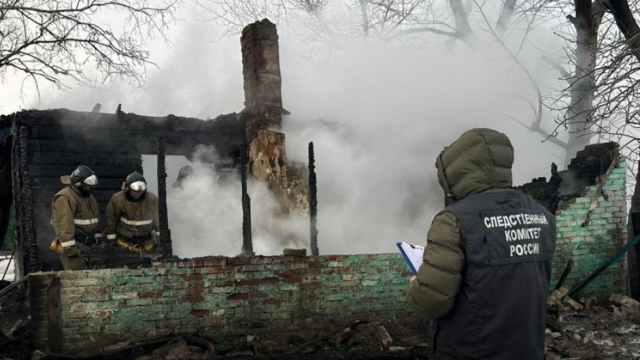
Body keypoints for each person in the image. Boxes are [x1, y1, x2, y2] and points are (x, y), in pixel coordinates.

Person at [408, 128, 556, 360]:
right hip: (528, 348)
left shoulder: (453, 220)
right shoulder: (542, 215)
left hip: (470, 350)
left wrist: (419, 283)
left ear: (454, 174)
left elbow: (431, 303)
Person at [50, 165, 101, 270]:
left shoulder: (89, 196)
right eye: (88, 185)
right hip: (74, 247)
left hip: (87, 246)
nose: (91, 188)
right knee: (76, 278)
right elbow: (64, 225)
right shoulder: (64, 197)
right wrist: (70, 249)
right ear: (78, 184)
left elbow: (94, 220)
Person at [105, 172, 159, 254]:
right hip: (125, 242)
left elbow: (158, 220)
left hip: (147, 242)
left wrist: (159, 239)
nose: (138, 192)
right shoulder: (117, 200)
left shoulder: (152, 199)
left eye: (141, 188)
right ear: (127, 188)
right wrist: (111, 241)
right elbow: (111, 221)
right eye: (135, 188)